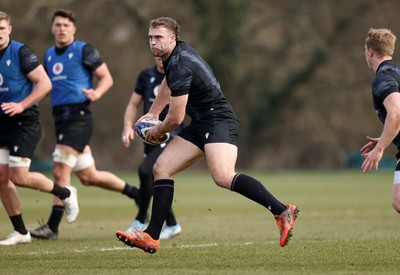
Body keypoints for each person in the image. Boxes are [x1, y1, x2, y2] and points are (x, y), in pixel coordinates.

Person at [116, 17, 299, 253]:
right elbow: (167, 84)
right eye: (150, 37)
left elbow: (175, 119)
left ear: (173, 38)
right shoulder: (173, 57)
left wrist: (156, 130)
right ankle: (152, 235)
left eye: (158, 37)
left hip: (219, 120)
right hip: (201, 122)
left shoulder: (180, 64)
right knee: (161, 169)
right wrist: (152, 112)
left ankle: (282, 211)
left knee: (223, 176)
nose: (153, 42)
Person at [29, 9, 140, 240]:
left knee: (59, 168)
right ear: (52, 28)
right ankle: (136, 193)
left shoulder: (83, 50)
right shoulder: (49, 54)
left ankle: (52, 226)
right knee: (89, 176)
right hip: (60, 118)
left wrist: (97, 93)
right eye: (58, 25)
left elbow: (107, 77)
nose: (61, 29)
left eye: (66, 25)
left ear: (74, 29)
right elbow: (45, 85)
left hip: (79, 117)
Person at [0, 11, 79, 245]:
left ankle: (65, 193)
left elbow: (45, 84)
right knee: (1, 179)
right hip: (1, 121)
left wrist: (22, 104)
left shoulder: (20, 52)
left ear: (9, 29)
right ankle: (21, 232)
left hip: (24, 121)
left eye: (1, 28)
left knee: (19, 177)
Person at [122, 57, 182, 239]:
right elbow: (133, 103)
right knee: (156, 178)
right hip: (149, 137)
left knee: (145, 171)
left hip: (171, 133)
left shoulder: (180, 74)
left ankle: (140, 220)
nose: (159, 57)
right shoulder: (145, 75)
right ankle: (172, 224)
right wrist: (127, 126)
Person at [361, 28, 400, 214]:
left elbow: (396, 113)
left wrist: (380, 148)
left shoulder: (384, 78)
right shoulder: (396, 72)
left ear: (370, 51)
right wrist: (386, 137)